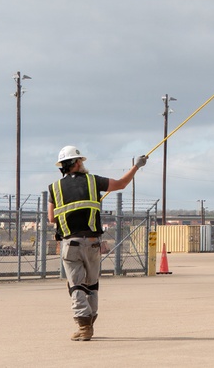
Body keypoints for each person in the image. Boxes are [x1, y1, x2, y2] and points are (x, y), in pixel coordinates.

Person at [47, 145, 147, 341]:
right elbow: (121, 184)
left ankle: (84, 326)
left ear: (63, 167)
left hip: (70, 244)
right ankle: (89, 324)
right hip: (93, 242)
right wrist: (137, 167)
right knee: (91, 284)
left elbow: (51, 218)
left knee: (76, 285)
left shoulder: (54, 188)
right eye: (81, 161)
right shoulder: (93, 181)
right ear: (77, 163)